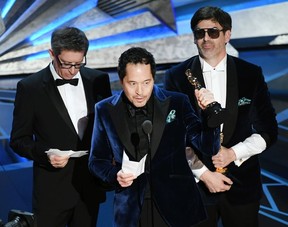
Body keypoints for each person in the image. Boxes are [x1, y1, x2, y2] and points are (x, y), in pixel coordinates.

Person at [164, 6, 278, 227]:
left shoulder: (251, 74)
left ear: (227, 35)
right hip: (194, 188)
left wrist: (233, 153)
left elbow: (268, 130)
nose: (206, 38)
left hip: (242, 186)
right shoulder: (176, 77)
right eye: (200, 33)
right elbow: (173, 136)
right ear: (194, 38)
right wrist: (205, 174)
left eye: (213, 31)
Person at [88, 46, 222, 227]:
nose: (140, 91)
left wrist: (209, 117)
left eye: (146, 82)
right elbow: (96, 160)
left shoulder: (177, 102)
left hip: (176, 204)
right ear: (121, 81)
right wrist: (115, 175)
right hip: (132, 207)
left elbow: (208, 147)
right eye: (132, 83)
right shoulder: (104, 110)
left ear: (153, 79)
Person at [9, 27, 112, 227]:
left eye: (78, 64)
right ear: (52, 54)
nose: (73, 70)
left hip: (90, 188)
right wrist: (45, 154)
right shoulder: (30, 88)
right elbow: (18, 140)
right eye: (66, 64)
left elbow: (107, 128)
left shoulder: (98, 80)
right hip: (52, 192)